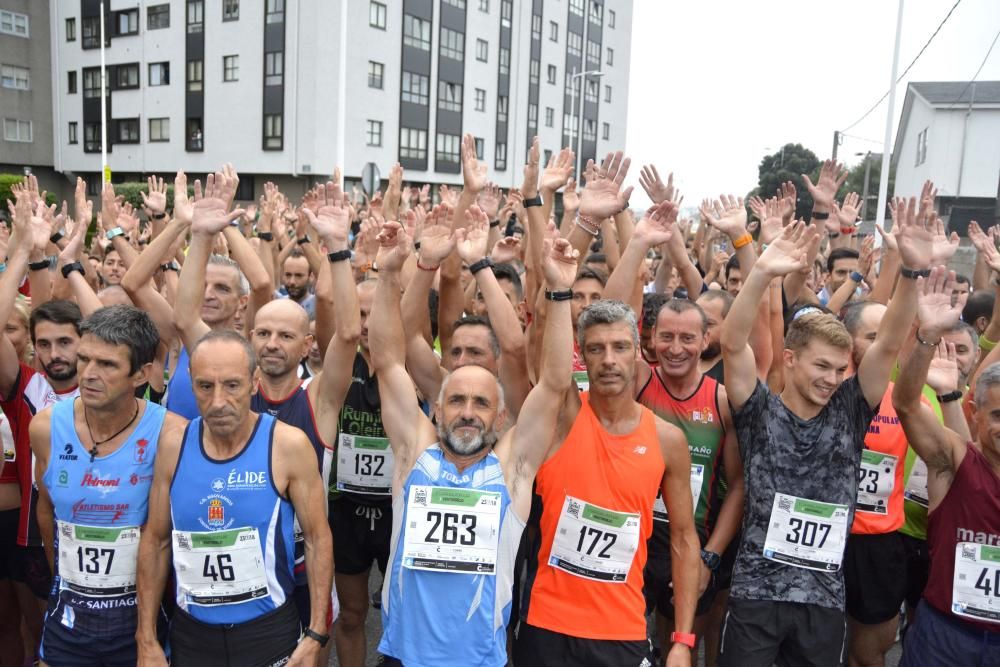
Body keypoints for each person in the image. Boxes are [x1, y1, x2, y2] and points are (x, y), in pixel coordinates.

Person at [717, 196, 930, 666]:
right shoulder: (758, 411)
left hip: (823, 600)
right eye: (821, 366)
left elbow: (890, 341)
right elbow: (733, 343)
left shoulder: (851, 411)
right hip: (756, 593)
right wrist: (760, 273)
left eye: (839, 369)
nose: (831, 379)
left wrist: (911, 274)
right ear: (790, 360)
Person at [369, 219, 576, 666]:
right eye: (456, 400)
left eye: (480, 403)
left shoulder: (512, 469)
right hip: (402, 655)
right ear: (436, 410)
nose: (467, 412)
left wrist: (560, 295)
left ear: (499, 416)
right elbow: (387, 360)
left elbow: (556, 384)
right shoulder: (414, 454)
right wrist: (388, 273)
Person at [135, 329, 333, 667]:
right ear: (190, 381)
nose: (218, 402)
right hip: (193, 632)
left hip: (266, 630)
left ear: (254, 381)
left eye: (232, 385)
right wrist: (146, 638)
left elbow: (316, 538)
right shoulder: (173, 445)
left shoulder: (287, 445)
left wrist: (316, 632)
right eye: (205, 386)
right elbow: (155, 540)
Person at [29, 306, 186, 664]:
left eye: (108, 365)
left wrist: (146, 636)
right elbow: (47, 511)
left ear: (141, 374)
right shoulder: (46, 427)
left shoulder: (171, 434)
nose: (89, 374)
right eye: (84, 359)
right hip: (69, 616)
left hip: (141, 618)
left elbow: (163, 536)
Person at [249, 183, 360, 665]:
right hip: (245, 563)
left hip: (301, 566)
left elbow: (351, 332)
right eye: (264, 333)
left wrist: (337, 248)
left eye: (285, 335)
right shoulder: (230, 394)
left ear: (307, 344)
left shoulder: (317, 398)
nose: (273, 343)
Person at [893, 269, 1000, 666]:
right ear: (974, 413)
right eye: (998, 415)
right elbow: (905, 407)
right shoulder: (954, 461)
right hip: (946, 636)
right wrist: (926, 338)